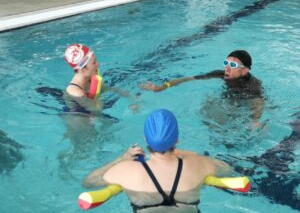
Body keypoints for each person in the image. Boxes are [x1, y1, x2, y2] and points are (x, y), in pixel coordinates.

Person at [82, 109, 233, 213]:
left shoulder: (126, 170)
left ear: (146, 139)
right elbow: (227, 170)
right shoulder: (198, 164)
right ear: (177, 140)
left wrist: (121, 158)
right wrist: (188, 154)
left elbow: (89, 182)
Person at [140, 50, 264, 127]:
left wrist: (255, 120)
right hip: (229, 99)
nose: (227, 68)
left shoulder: (252, 84)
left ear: (245, 70)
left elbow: (258, 102)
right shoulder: (220, 74)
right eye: (226, 63)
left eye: (233, 65)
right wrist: (160, 88)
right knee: (207, 106)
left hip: (244, 104)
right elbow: (187, 79)